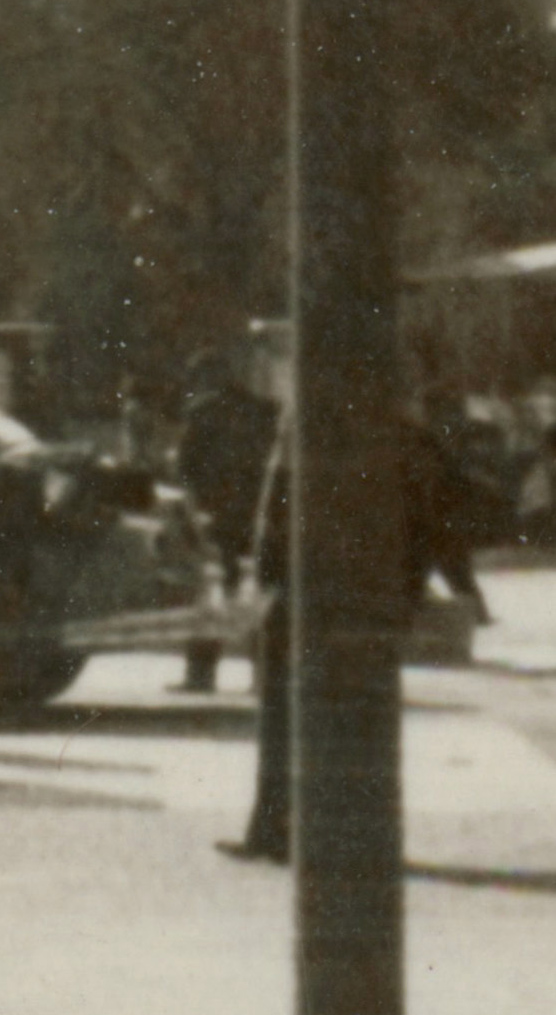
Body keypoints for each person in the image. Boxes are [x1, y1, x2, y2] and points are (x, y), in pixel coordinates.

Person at [226, 405, 462, 865]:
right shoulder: (405, 436)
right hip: (364, 596)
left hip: (304, 594)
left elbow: (273, 514)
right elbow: (432, 520)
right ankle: (343, 833)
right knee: (353, 716)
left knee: (285, 711)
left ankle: (275, 828)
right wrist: (409, 592)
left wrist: (263, 576)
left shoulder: (305, 425)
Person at [173, 358, 281, 697]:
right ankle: (265, 675)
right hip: (259, 515)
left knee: (211, 592)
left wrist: (195, 512)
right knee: (260, 590)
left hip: (218, 516)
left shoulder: (200, 412)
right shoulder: (265, 410)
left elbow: (185, 468)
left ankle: (200, 674)